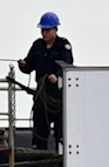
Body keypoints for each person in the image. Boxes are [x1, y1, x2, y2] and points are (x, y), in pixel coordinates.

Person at [18, 12, 74, 155]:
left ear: (55, 29)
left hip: (58, 98)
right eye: (43, 30)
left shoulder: (63, 46)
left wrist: (56, 76)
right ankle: (38, 164)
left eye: (48, 30)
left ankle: (59, 164)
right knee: (40, 131)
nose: (45, 33)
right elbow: (29, 66)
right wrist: (23, 65)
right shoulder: (37, 46)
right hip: (42, 97)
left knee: (60, 131)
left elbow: (68, 66)